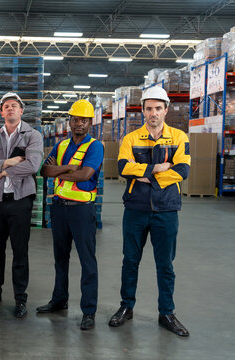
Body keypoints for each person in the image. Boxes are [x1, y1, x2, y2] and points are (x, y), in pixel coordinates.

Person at [109, 86, 191, 337]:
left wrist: (145, 173)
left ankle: (166, 312)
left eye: (157, 108)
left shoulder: (179, 137)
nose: (153, 113)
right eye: (148, 108)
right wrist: (157, 167)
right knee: (130, 260)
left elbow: (182, 171)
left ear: (166, 110)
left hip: (166, 209)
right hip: (136, 208)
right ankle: (126, 307)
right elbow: (123, 166)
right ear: (143, 110)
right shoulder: (131, 139)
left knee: (165, 264)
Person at [36, 99, 104, 330]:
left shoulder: (95, 146)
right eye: (75, 119)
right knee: (60, 258)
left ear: (90, 123)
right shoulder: (62, 145)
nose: (78, 124)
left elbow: (85, 174)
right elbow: (44, 170)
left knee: (87, 261)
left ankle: (89, 310)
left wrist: (60, 171)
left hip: (81, 211)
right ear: (70, 120)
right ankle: (59, 299)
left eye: (83, 120)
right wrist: (67, 169)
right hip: (59, 208)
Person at [0, 92, 43, 318]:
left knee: (20, 251)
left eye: (14, 106)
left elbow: (33, 165)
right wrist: (8, 161)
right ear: (1, 111)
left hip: (20, 201)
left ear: (21, 110)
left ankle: (20, 298)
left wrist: (3, 171)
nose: (10, 109)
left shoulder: (32, 135)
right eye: (6, 106)